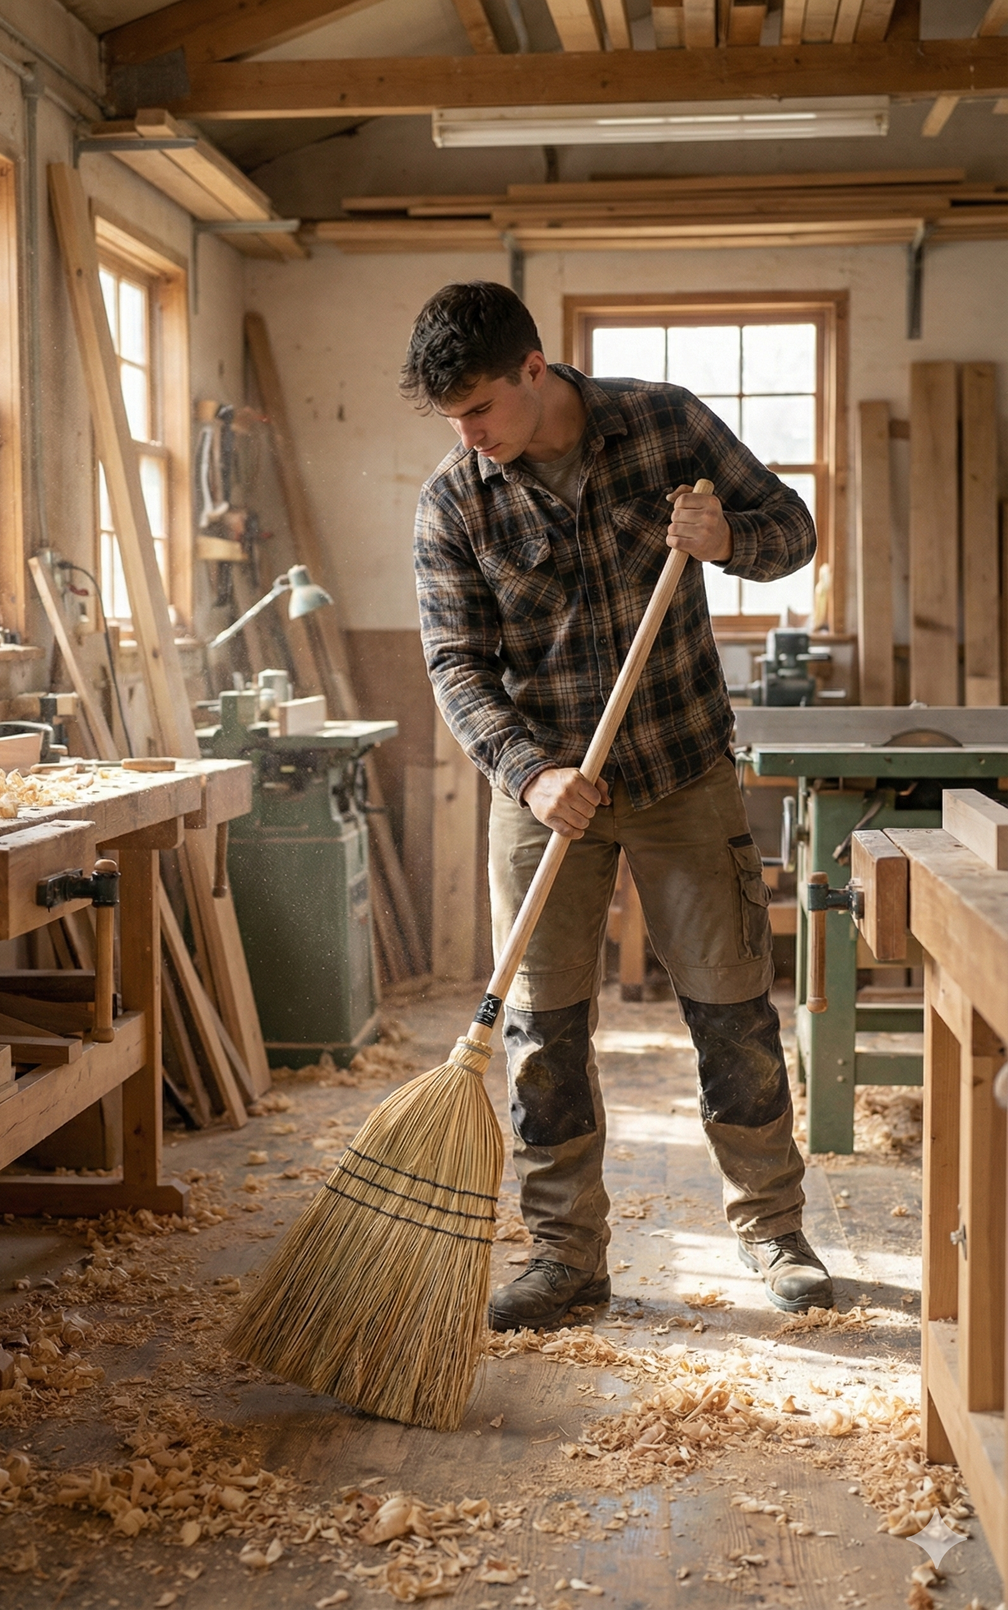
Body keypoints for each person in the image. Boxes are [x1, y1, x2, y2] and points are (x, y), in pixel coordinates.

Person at [402, 281, 832, 1331]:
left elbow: (797, 529)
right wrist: (529, 771)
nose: (469, 436)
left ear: (533, 370)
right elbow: (454, 663)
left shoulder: (665, 422)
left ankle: (772, 1226)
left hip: (681, 768)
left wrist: (728, 538)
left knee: (731, 1011)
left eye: (479, 410)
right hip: (547, 790)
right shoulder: (456, 500)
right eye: (453, 419)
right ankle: (564, 1254)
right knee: (542, 1032)